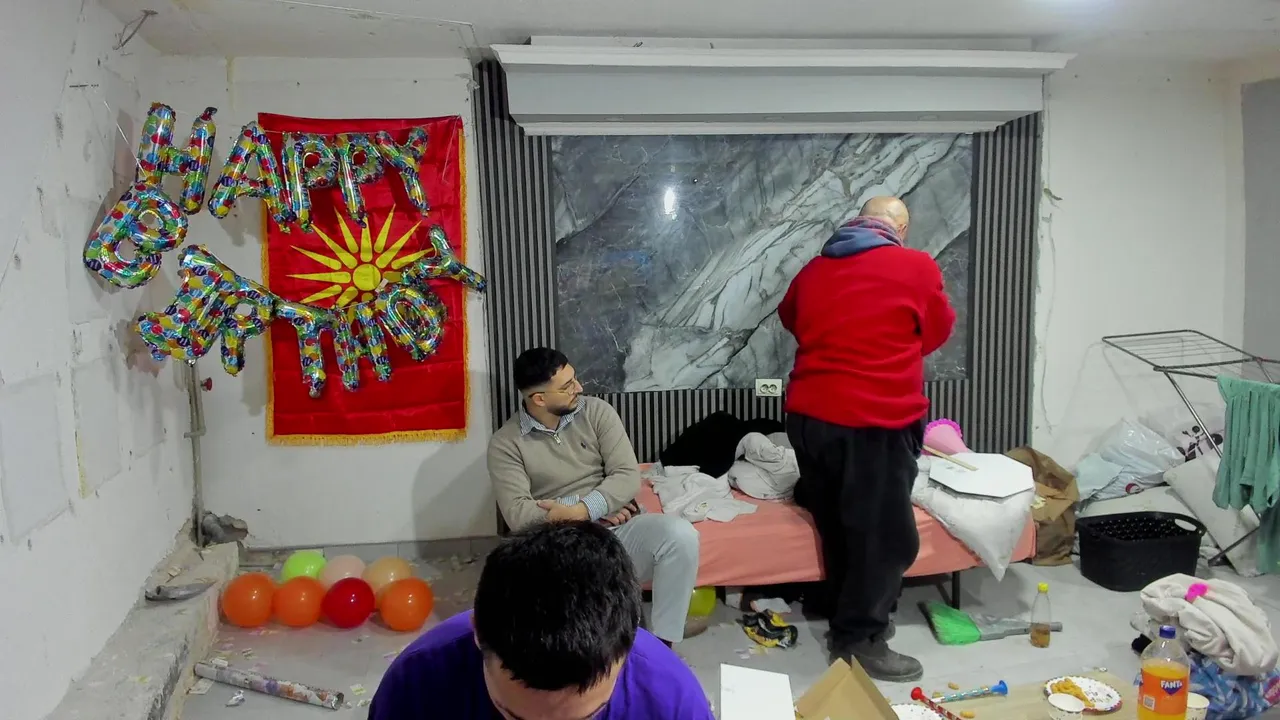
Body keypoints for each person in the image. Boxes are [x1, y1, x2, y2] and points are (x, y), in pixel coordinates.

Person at [778, 196, 956, 682]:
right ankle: (859, 639)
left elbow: (791, 318)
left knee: (837, 522)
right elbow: (936, 331)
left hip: (809, 419)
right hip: (875, 421)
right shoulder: (915, 266)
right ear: (900, 228)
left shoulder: (813, 270)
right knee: (888, 538)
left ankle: (839, 607)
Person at [369, 521, 713, 719]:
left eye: (585, 718)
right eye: (513, 717)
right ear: (478, 634)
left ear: (626, 650)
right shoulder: (416, 683)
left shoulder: (671, 700)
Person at [486, 347, 703, 646]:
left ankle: (662, 644)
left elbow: (627, 475)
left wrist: (586, 508)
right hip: (557, 545)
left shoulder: (597, 412)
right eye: (567, 386)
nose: (579, 388)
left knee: (680, 536)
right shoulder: (505, 444)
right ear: (539, 399)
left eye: (574, 378)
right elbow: (519, 515)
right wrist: (586, 511)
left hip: (616, 529)